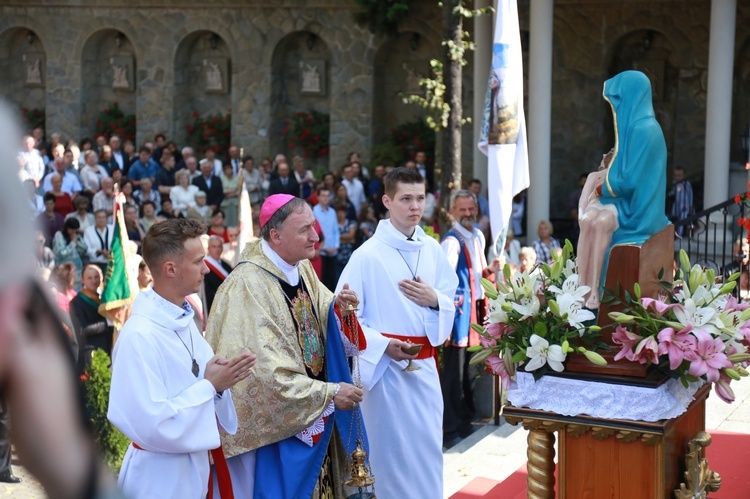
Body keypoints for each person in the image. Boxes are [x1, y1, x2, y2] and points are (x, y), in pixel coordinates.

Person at [204, 194, 367, 498]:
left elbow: (318, 311)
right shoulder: (246, 285)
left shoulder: (301, 267)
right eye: (304, 229)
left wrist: (339, 310)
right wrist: (329, 393)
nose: (315, 235)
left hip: (315, 416)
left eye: (313, 227)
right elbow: (263, 375)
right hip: (278, 433)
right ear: (275, 236)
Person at [108, 218, 256, 498]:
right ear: (170, 269)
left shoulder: (183, 319)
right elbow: (153, 424)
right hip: (158, 478)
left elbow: (201, 380)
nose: (206, 268)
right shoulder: (139, 336)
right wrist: (210, 386)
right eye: (198, 261)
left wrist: (220, 382)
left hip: (193, 467)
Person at [336, 167, 458, 498]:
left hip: (426, 370)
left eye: (420, 198)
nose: (415, 206)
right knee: (394, 457)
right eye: (406, 199)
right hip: (386, 373)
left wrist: (435, 301)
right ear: (387, 201)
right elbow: (344, 315)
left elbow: (450, 296)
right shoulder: (367, 256)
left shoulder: (432, 250)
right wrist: (383, 344)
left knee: (429, 452)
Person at [597, 70, 670, 275]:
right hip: (647, 208)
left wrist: (600, 187)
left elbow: (629, 181)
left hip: (639, 214)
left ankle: (595, 291)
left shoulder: (642, 129)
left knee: (594, 222)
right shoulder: (650, 126)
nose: (617, 106)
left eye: (620, 99)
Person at [440, 190, 493, 448]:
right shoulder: (451, 241)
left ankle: (466, 419)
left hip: (476, 308)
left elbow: (480, 271)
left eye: (471, 209)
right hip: (459, 313)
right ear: (453, 211)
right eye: (463, 210)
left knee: (471, 368)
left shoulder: (478, 235)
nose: (468, 214)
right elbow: (443, 279)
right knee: (454, 371)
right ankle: (450, 427)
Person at [578, 150, 619, 309]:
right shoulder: (593, 176)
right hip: (594, 205)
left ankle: (595, 288)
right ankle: (582, 286)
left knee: (601, 222)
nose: (606, 155)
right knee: (588, 220)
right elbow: (583, 200)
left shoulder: (619, 176)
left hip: (610, 207)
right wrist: (581, 215)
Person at [69, 264, 114, 362]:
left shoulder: (104, 299)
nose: (94, 281)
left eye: (96, 277)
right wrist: (106, 323)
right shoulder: (76, 302)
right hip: (90, 354)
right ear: (82, 280)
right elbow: (82, 330)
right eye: (89, 278)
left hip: (106, 351)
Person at [312, 186, 339, 290]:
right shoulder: (314, 211)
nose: (326, 198)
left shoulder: (332, 212)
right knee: (323, 281)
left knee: (333, 280)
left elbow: (336, 231)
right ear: (318, 197)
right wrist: (323, 248)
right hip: (321, 252)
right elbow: (315, 232)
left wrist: (336, 246)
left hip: (333, 251)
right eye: (323, 195)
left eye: (328, 196)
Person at [53, 218, 88, 287]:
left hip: (77, 274)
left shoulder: (75, 235)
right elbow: (62, 253)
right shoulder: (59, 235)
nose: (73, 232)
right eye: (72, 230)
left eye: (75, 230)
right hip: (64, 274)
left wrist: (77, 241)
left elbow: (85, 249)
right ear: (67, 228)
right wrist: (72, 243)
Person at [203, 235, 232, 317]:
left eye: (219, 246)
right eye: (214, 247)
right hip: (214, 308)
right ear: (208, 249)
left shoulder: (226, 265)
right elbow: (206, 292)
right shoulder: (205, 267)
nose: (217, 250)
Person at [83, 209, 113, 274]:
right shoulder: (88, 231)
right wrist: (100, 251)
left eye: (103, 217)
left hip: (111, 261)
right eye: (99, 217)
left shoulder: (112, 229)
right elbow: (86, 248)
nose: (101, 220)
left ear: (107, 218)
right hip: (95, 262)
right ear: (95, 218)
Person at [668, 166, 694, 237]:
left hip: (685, 204)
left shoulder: (686, 184)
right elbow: (672, 193)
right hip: (677, 204)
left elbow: (690, 195)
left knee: (683, 218)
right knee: (676, 218)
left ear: (683, 175)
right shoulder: (675, 184)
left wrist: (690, 205)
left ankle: (680, 233)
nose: (677, 177)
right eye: (676, 175)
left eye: (679, 175)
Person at [219, 163, 240, 228]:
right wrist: (233, 191)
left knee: (235, 221)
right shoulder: (221, 179)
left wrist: (230, 194)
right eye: (226, 169)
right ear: (224, 171)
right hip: (225, 204)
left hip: (235, 204)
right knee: (226, 222)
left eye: (229, 168)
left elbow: (239, 191)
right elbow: (222, 191)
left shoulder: (237, 178)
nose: (228, 170)